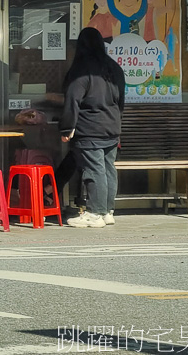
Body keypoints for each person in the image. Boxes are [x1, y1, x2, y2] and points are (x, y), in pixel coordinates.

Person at [59, 27, 126, 228]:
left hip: (90, 129)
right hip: (112, 127)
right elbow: (121, 101)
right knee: (107, 169)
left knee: (94, 169)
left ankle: (95, 213)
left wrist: (67, 128)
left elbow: (72, 100)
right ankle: (107, 211)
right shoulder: (114, 68)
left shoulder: (81, 70)